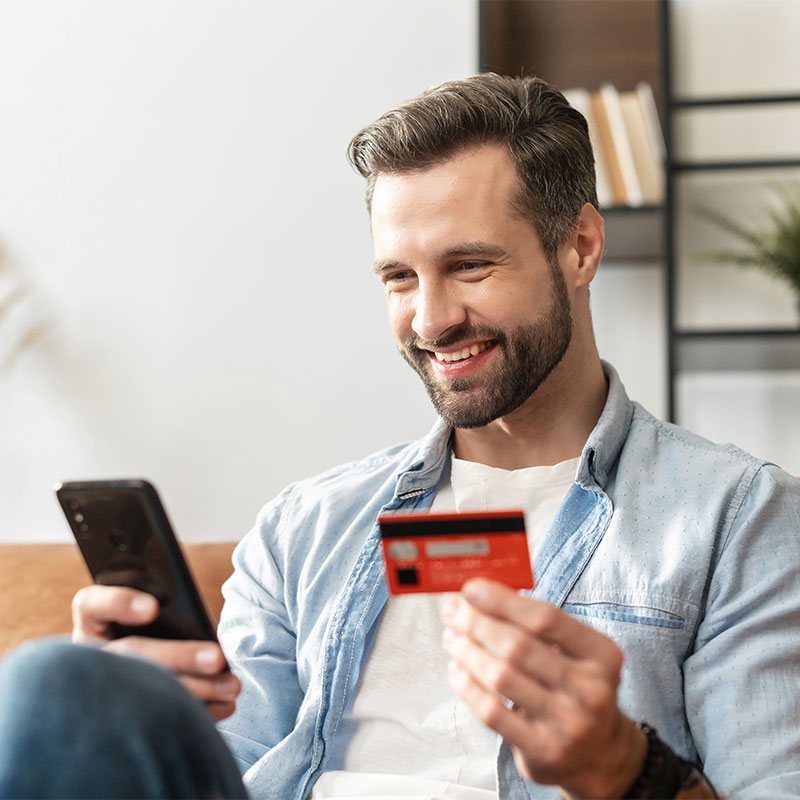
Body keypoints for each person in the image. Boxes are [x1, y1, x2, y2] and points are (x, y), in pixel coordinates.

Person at [1, 73, 799, 800]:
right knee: (55, 685)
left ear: (580, 246)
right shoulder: (302, 530)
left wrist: (629, 771)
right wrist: (131, 712)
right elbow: (228, 771)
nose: (431, 319)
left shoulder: (736, 521)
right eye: (398, 277)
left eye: (471, 266)